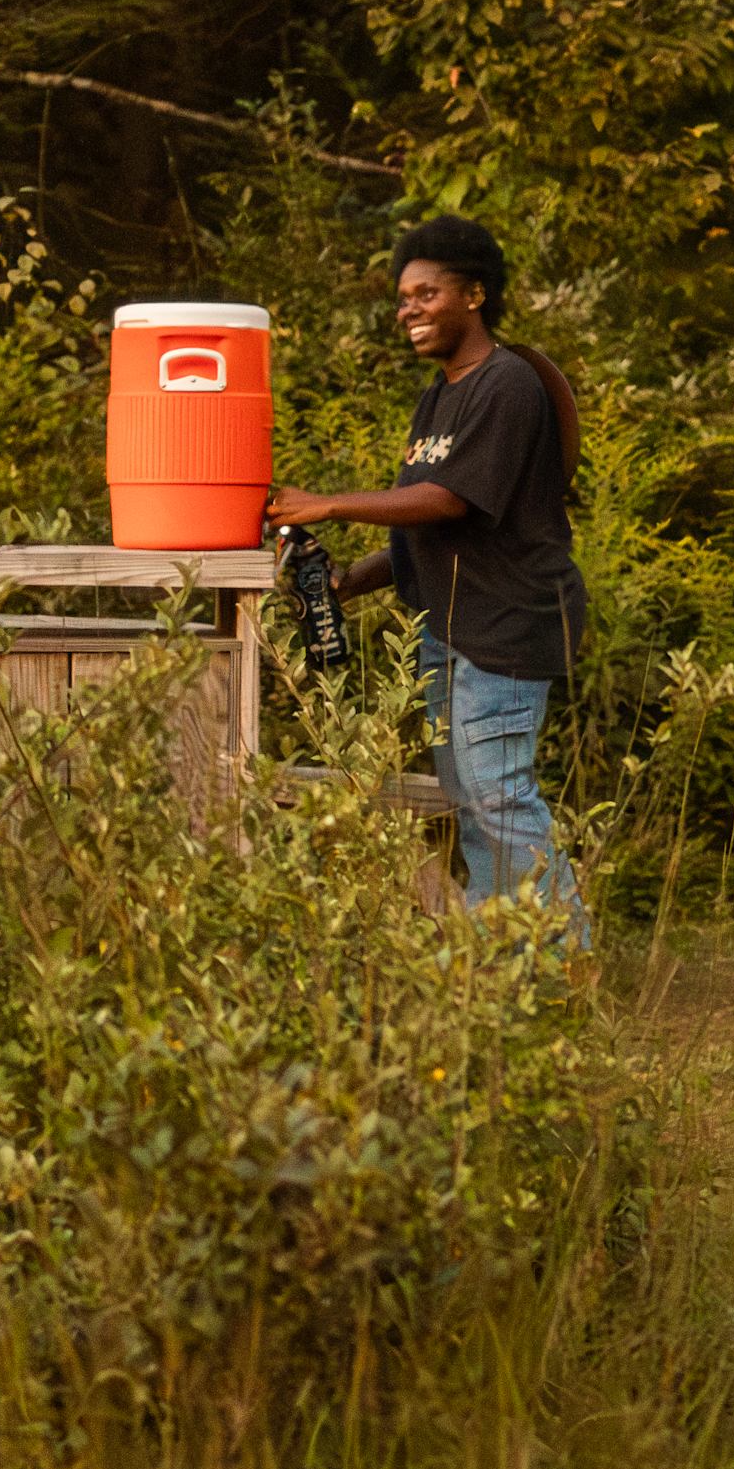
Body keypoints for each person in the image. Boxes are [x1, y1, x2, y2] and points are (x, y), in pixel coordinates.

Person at [266, 216, 591, 936]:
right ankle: (508, 956)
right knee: (470, 798)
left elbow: (451, 496)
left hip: (505, 626)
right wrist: (356, 578)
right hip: (449, 625)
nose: (407, 309)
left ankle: (565, 961)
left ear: (474, 293)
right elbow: (432, 525)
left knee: (497, 796)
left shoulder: (507, 383)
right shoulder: (439, 397)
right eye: (402, 298)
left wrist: (328, 503)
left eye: (425, 293)